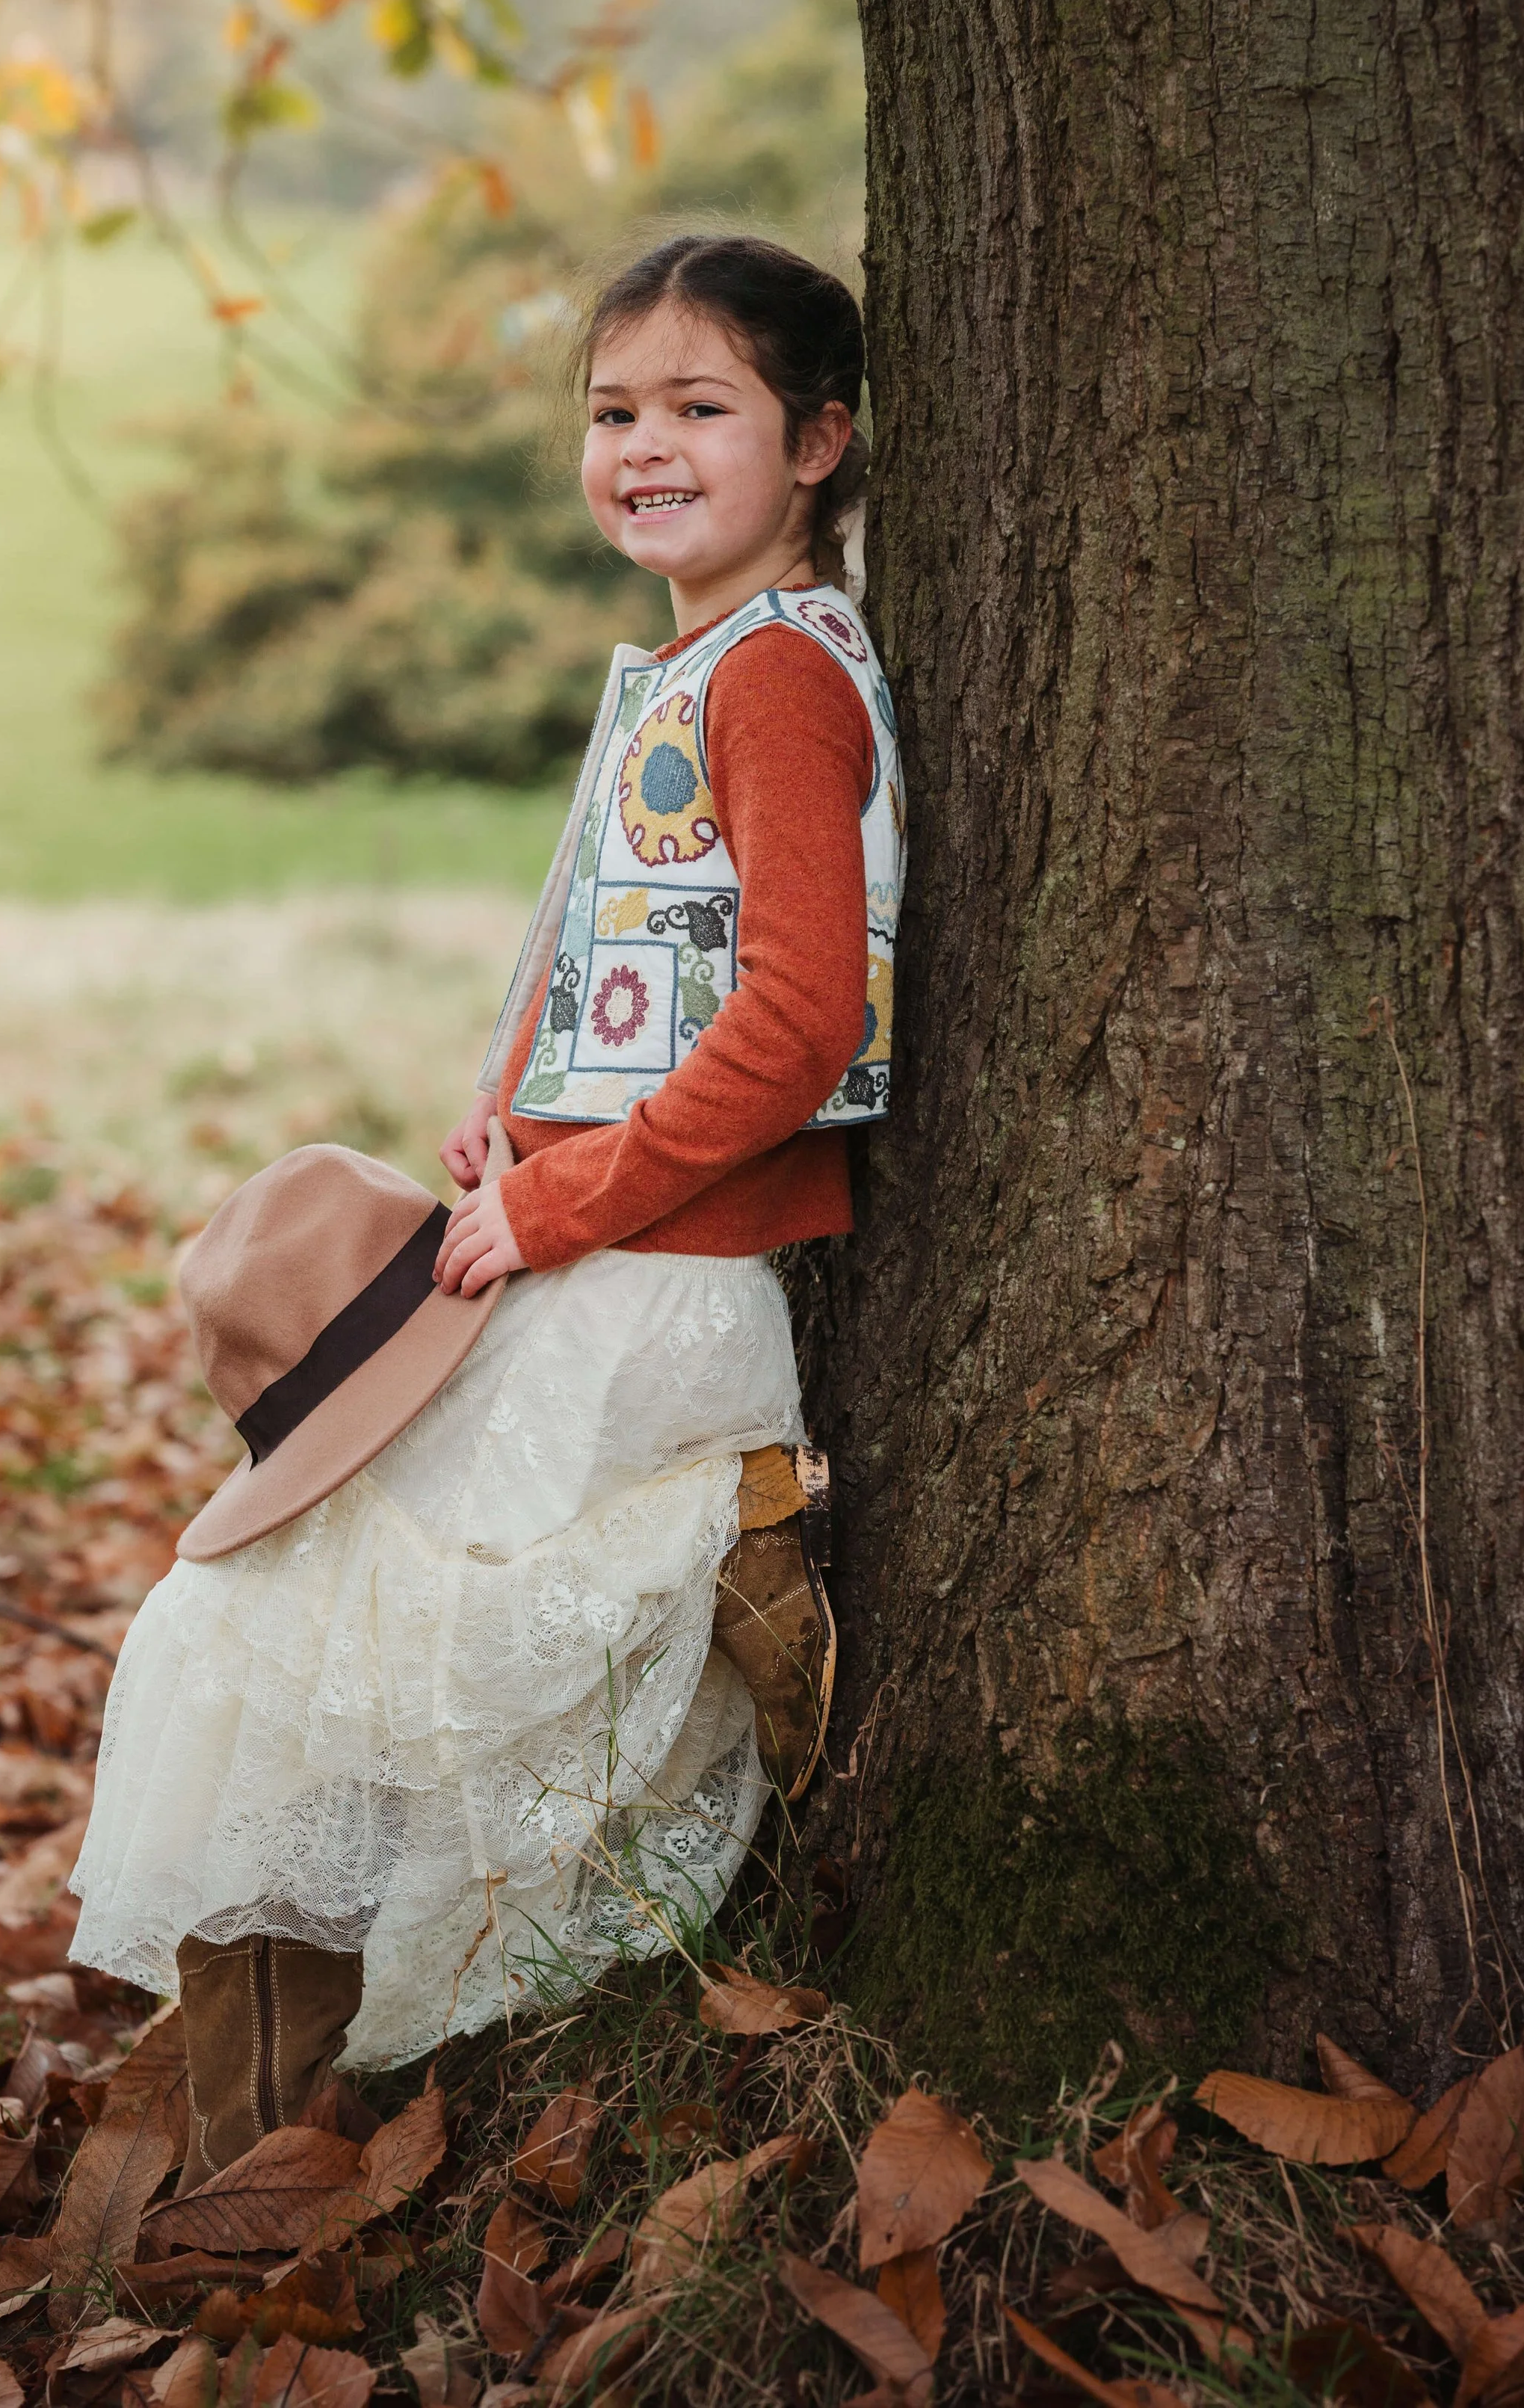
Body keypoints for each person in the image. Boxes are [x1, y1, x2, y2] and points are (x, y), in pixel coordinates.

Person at [68, 232, 904, 2182]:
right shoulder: (706, 660)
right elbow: (621, 922)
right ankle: (259, 2111)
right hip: (604, 1238)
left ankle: (294, 2131)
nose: (643, 444)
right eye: (614, 410)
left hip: (663, 1275)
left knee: (334, 1616)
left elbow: (792, 1012)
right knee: (311, 1615)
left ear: (821, 438)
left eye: (700, 406)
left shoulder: (779, 679)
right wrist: (503, 1112)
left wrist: (563, 1198)